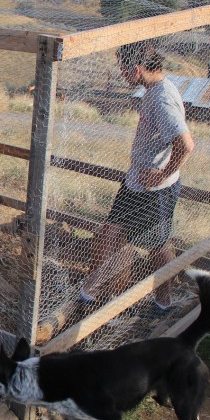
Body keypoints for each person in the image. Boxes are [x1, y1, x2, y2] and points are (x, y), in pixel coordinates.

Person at [79, 40, 194, 311]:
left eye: (123, 68)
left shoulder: (163, 97)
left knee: (158, 246)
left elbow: (186, 144)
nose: (121, 73)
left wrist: (165, 172)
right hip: (136, 182)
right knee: (109, 231)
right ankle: (90, 292)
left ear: (138, 68)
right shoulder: (153, 90)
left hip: (155, 190)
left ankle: (162, 301)